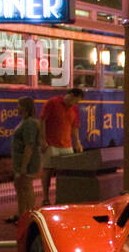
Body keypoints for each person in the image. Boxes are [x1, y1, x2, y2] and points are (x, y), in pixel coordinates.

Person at [40, 87, 84, 204]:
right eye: (76, 100)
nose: (76, 103)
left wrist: (77, 142)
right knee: (48, 170)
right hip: (51, 143)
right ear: (70, 95)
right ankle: (45, 197)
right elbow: (43, 120)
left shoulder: (74, 109)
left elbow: (74, 126)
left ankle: (63, 196)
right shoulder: (52, 102)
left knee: (66, 172)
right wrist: (43, 140)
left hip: (66, 144)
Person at [7, 96, 42, 224]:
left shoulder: (30, 123)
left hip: (27, 162)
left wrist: (24, 166)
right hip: (19, 161)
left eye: (19, 104)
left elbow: (29, 145)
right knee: (20, 187)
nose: (17, 107)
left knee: (26, 187)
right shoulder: (24, 121)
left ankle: (30, 215)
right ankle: (22, 215)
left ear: (25, 107)